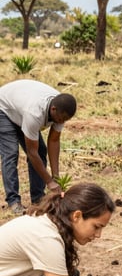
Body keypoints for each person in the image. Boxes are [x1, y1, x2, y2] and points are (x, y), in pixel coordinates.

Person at [0, 79, 77, 214]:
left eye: (65, 120)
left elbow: (53, 142)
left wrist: (56, 177)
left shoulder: (61, 109)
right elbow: (31, 152)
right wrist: (49, 182)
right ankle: (14, 201)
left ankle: (38, 199)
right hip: (4, 108)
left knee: (42, 151)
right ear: (53, 110)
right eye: (60, 119)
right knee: (11, 153)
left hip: (20, 108)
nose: (61, 122)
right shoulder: (35, 113)